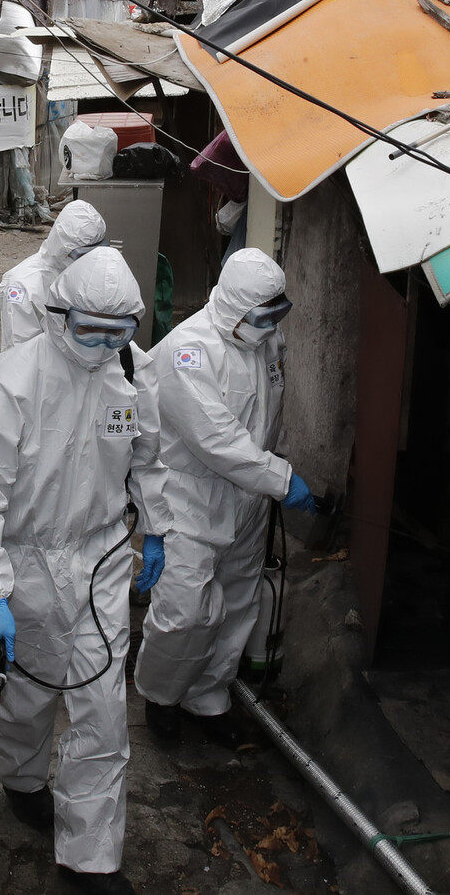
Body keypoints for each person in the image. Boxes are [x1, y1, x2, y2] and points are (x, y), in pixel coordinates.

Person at [0, 247, 171, 895]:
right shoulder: (9, 380)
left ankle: (90, 859)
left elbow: (147, 459)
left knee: (102, 711)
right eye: (88, 331)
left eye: (117, 331)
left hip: (98, 559)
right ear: (55, 314)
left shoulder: (129, 373)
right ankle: (19, 778)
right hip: (27, 564)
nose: (102, 345)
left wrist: (156, 528)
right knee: (25, 698)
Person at [133, 248, 314, 748]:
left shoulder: (264, 340)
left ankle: (208, 697)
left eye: (278, 313)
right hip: (190, 497)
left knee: (237, 601)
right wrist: (281, 478)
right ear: (234, 308)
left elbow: (264, 418)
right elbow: (215, 440)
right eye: (262, 316)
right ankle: (161, 697)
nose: (272, 325)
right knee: (186, 610)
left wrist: (267, 479)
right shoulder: (187, 352)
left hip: (249, 498)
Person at [0, 199, 107, 348]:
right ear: (63, 248)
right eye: (82, 255)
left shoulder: (82, 272)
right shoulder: (22, 285)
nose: (90, 261)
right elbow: (20, 350)